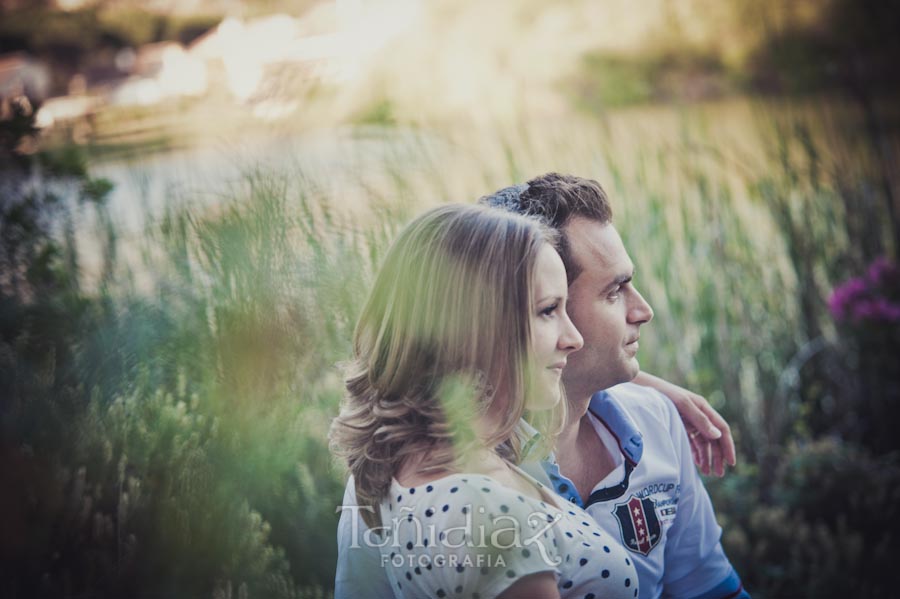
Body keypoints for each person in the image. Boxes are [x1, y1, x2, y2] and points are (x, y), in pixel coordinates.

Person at [335, 174, 748, 599]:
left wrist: (652, 386)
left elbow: (711, 588)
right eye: (613, 291)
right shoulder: (425, 473)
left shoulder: (657, 417)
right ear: (495, 320)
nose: (644, 310)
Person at [330, 204, 641, 598]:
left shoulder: (401, 463)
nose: (573, 338)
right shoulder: (488, 515)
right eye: (547, 311)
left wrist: (654, 387)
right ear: (475, 328)